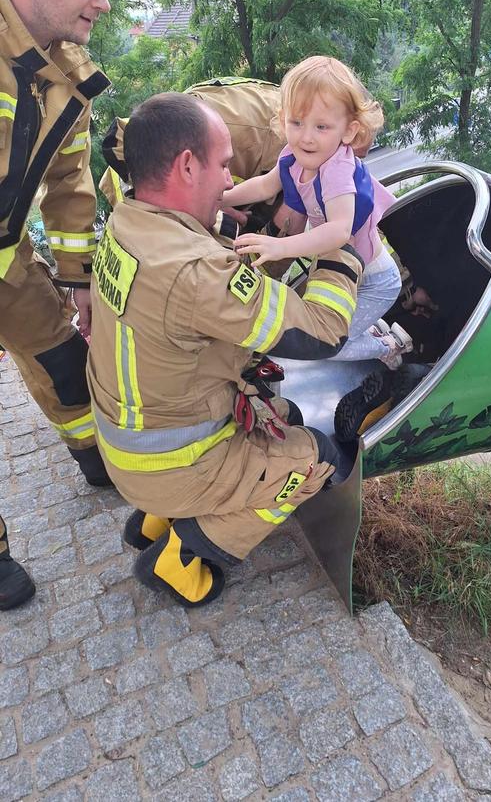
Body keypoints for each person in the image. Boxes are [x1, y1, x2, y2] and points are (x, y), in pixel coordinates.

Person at [86, 92, 364, 608]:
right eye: (223, 164)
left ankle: (157, 515)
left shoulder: (129, 220)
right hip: (171, 460)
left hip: (132, 440)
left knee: (287, 413)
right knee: (316, 459)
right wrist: (344, 253)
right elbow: (324, 331)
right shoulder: (195, 273)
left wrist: (267, 242)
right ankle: (182, 555)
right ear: (186, 166)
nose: (230, 181)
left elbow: (203, 292)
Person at [0, 0, 112, 609]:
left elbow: (71, 185)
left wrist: (81, 287)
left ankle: (92, 452)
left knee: (67, 361)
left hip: (11, 267)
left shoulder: (66, 75)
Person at [223, 56, 413, 369]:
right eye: (296, 123)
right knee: (333, 331)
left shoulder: (337, 170)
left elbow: (339, 230)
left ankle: (387, 345)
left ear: (349, 131)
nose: (306, 137)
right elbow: (265, 187)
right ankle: (371, 328)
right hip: (345, 273)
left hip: (373, 281)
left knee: (326, 345)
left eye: (321, 126)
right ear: (283, 119)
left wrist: (279, 246)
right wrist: (221, 198)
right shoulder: (293, 155)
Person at [99, 77, 285, 232]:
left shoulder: (292, 130)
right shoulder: (271, 135)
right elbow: (122, 137)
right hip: (131, 190)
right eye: (223, 165)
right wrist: (218, 205)